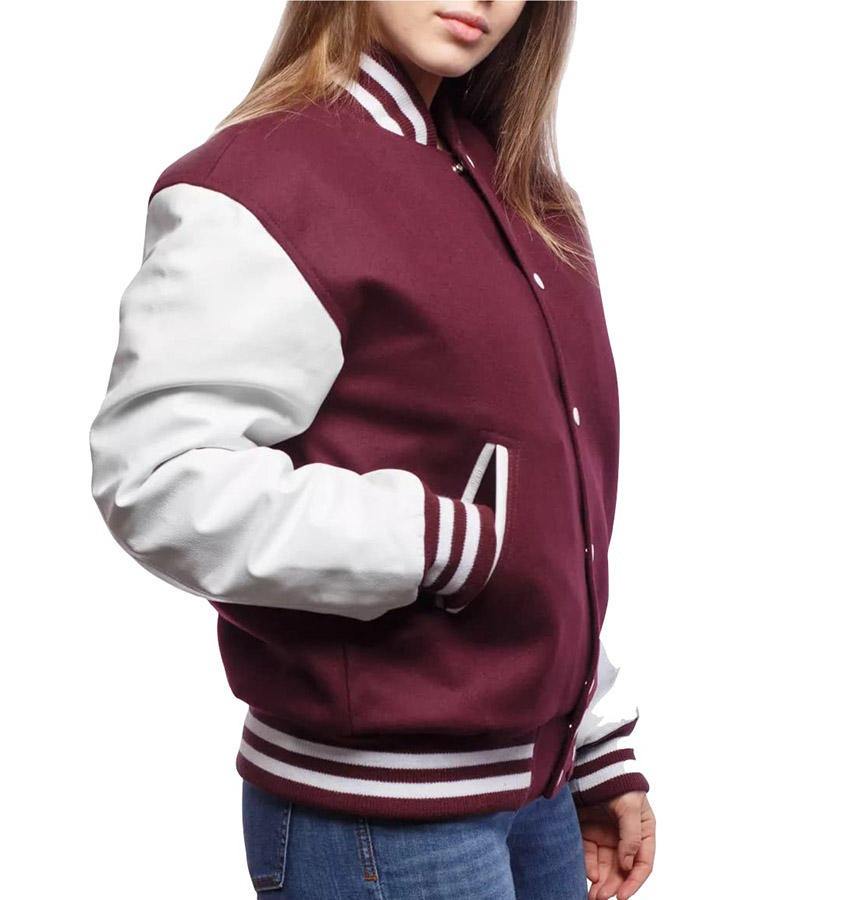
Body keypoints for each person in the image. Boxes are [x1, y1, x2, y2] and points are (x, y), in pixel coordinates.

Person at [88, 2, 656, 897]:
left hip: (536, 789)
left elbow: (551, 504)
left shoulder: (518, 189)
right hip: (379, 817)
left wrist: (593, 740)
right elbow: (157, 477)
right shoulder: (268, 181)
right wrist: (440, 542)